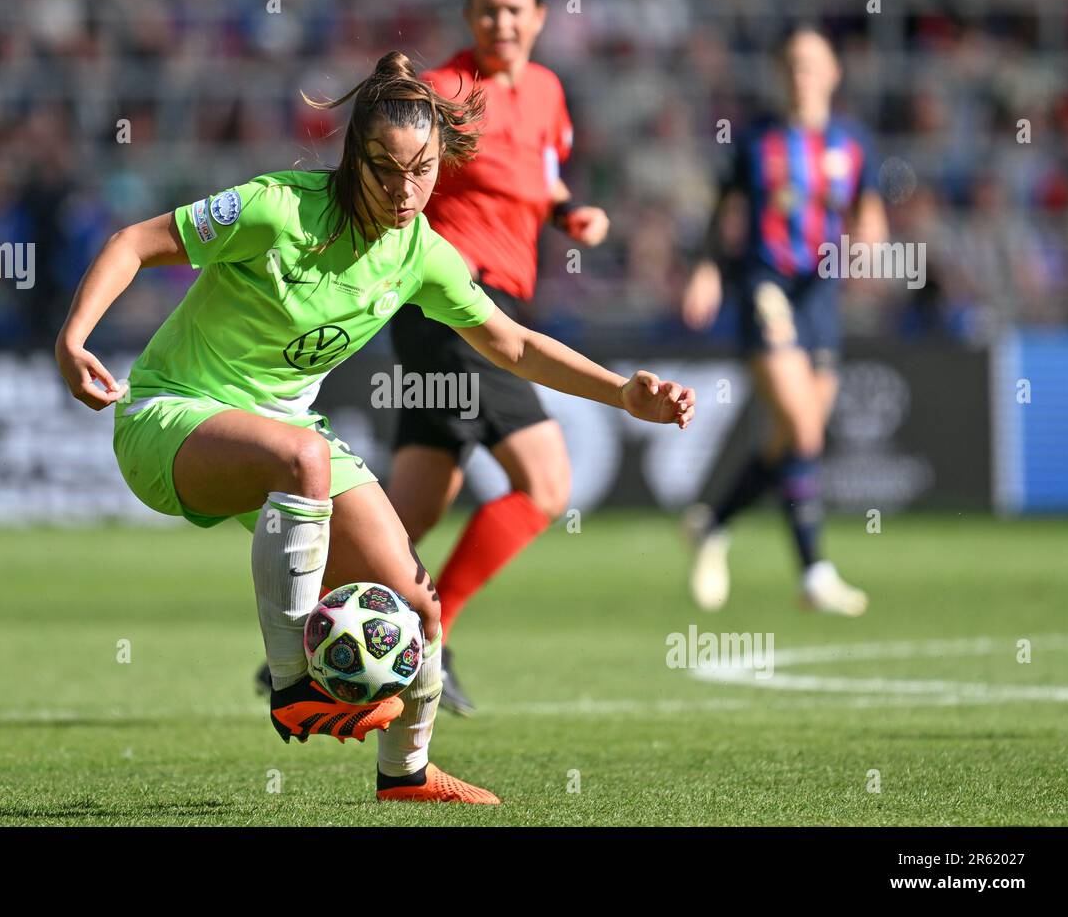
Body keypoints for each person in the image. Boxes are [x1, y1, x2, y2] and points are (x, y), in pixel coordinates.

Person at [56, 51, 695, 805]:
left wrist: (624, 392)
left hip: (283, 439)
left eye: (422, 170)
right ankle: (294, 681)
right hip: (170, 418)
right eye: (386, 171)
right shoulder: (276, 208)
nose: (404, 191)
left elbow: (514, 344)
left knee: (420, 606)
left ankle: (406, 773)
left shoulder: (421, 253)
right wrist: (74, 342)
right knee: (304, 458)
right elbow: (136, 241)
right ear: (354, 159)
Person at [388, 0, 610, 716]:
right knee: (546, 486)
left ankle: (317, 635)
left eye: (515, 9)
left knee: (412, 507)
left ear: (541, 16)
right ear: (468, 15)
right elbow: (394, 181)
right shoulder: (443, 94)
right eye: (487, 10)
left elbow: (540, 176)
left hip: (489, 304)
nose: (501, 23)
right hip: (457, 305)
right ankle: (430, 636)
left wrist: (569, 212)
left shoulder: (547, 92)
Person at [681, 25, 887, 616]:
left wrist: (872, 238)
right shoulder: (757, 142)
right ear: (780, 74)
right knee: (801, 430)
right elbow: (724, 214)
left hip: (820, 297)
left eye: (811, 64)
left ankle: (713, 523)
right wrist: (705, 270)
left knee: (791, 439)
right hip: (764, 286)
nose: (802, 75)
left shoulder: (852, 141)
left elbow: (870, 206)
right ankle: (813, 571)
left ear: (832, 73)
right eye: (792, 64)